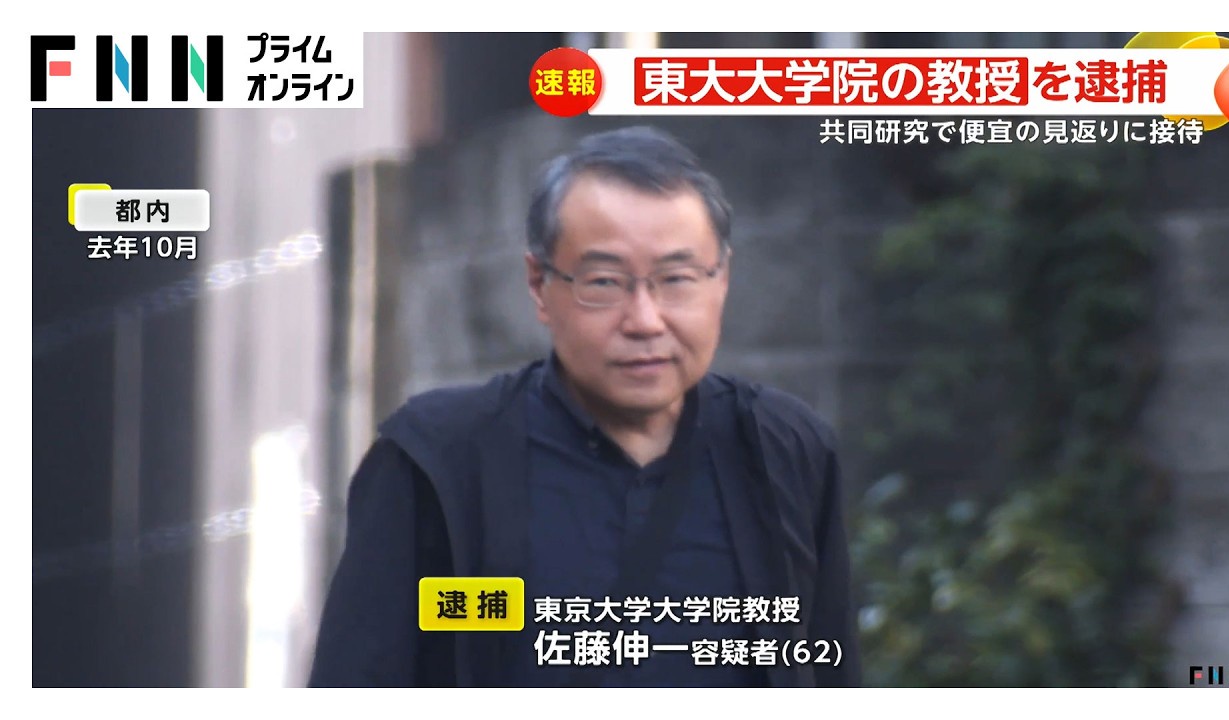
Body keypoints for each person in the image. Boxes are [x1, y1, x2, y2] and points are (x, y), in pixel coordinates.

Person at [308, 125, 860, 687]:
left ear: (722, 279)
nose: (644, 320)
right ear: (539, 284)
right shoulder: (438, 463)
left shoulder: (785, 450)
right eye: (604, 282)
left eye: (677, 279)